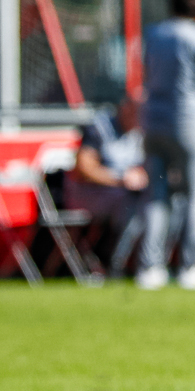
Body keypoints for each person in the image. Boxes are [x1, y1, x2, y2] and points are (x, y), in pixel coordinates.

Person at [137, 0, 195, 291]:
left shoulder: (154, 34)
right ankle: (191, 264)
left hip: (153, 120)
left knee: (156, 195)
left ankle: (150, 266)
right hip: (187, 121)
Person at [66, 97, 148, 275]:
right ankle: (114, 264)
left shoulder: (139, 132)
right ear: (125, 109)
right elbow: (84, 168)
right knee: (131, 203)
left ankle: (151, 264)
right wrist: (120, 179)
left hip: (123, 196)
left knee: (157, 200)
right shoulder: (99, 127)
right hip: (87, 194)